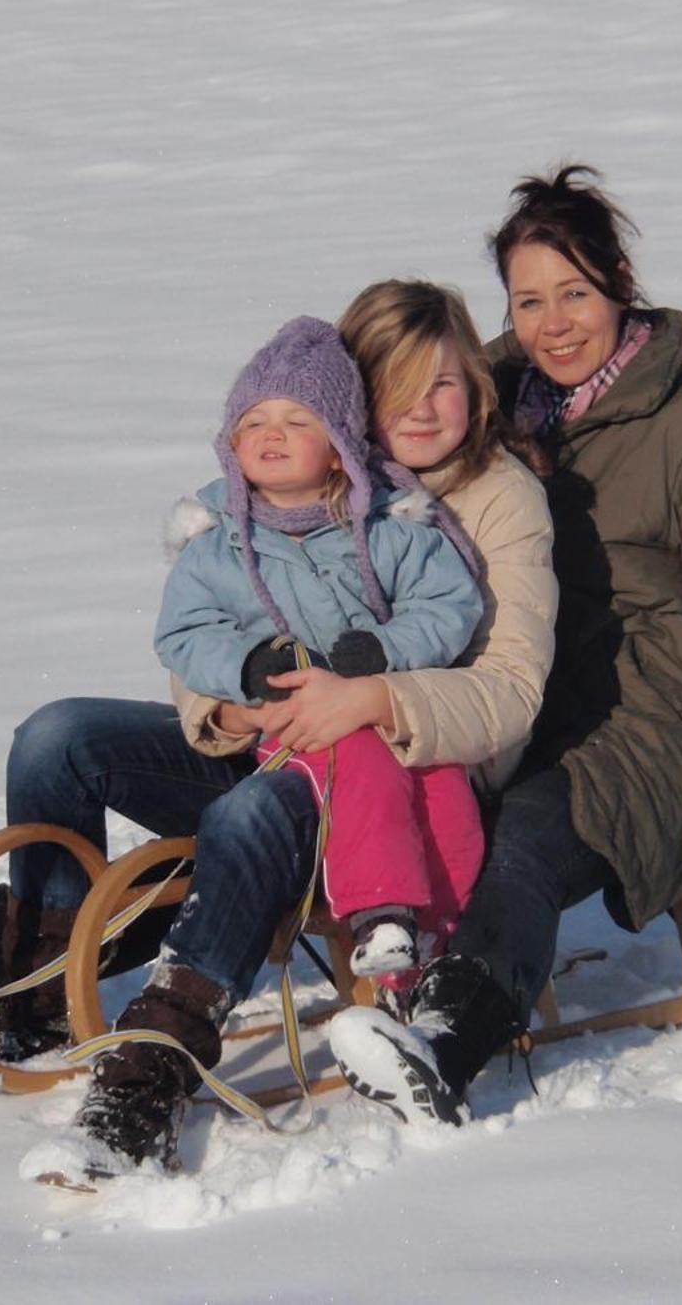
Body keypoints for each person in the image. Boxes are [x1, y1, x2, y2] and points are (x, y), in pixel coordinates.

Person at [0, 278, 558, 1181]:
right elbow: (201, 631)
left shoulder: (491, 503)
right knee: (58, 737)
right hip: (268, 739)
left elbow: (511, 691)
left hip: (390, 776)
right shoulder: (278, 488)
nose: (422, 409)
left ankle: (152, 1070)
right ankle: (34, 986)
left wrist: (372, 702)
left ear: (475, 388)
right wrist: (226, 707)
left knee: (241, 822)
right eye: (395, 385)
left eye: (444, 384)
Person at [329, 166, 682, 1126]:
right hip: (499, 690)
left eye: (576, 294)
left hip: (648, 722)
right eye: (529, 300)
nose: (554, 323)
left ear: (620, 283)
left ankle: (446, 1039)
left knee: (521, 833)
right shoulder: (486, 393)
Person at [153, 315, 486, 983]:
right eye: (254, 421)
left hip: (392, 710)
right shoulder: (217, 544)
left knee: (447, 797)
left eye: (297, 421)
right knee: (356, 765)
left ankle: (440, 947)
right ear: (231, 444)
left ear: (339, 449)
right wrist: (247, 668)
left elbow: (450, 603)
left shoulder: (391, 528)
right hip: (298, 728)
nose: (271, 435)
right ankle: (379, 916)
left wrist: (384, 651)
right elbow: (183, 633)